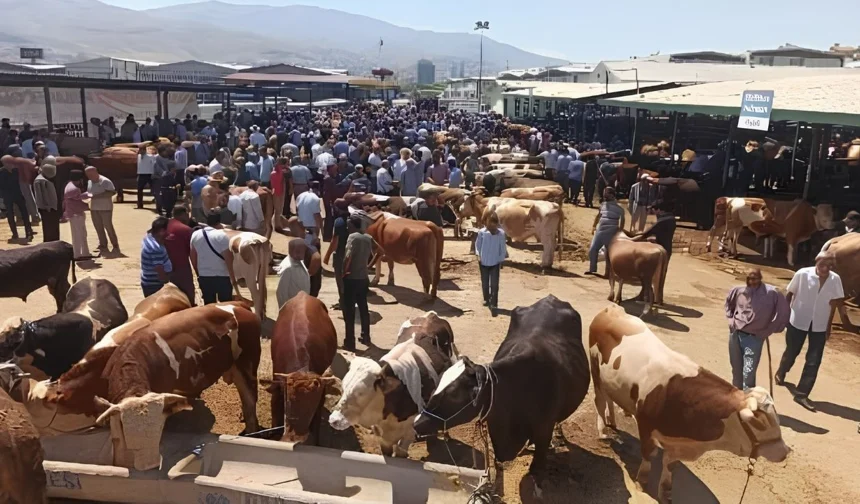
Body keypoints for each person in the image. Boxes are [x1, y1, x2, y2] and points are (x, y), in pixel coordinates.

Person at [776, 252, 852, 411]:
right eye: (823, 264)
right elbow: (789, 294)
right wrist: (783, 315)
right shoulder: (802, 274)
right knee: (792, 351)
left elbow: (835, 303)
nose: (826, 268)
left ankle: (802, 393)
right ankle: (782, 371)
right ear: (817, 262)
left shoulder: (835, 279)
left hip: (819, 324)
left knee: (814, 359)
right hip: (798, 320)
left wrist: (829, 325)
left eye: (830, 265)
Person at [724, 269, 791, 390]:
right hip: (736, 335)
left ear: (761, 278)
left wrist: (769, 330)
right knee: (736, 369)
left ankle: (748, 399)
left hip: (754, 338)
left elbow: (784, 314)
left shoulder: (772, 293)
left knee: (748, 373)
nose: (751, 281)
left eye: (755, 278)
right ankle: (737, 399)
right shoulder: (738, 290)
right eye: (749, 278)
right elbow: (729, 304)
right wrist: (730, 320)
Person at [341, 215, 378, 351]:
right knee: (363, 308)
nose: (347, 227)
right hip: (363, 278)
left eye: (348, 225)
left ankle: (350, 342)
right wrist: (368, 265)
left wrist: (344, 272)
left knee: (349, 311)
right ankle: (365, 336)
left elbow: (348, 256)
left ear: (352, 226)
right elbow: (380, 250)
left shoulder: (352, 237)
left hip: (351, 279)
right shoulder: (367, 238)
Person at [190, 210, 238, 305]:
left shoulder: (195, 235)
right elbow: (229, 259)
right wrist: (233, 278)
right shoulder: (222, 236)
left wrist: (199, 274)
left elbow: (193, 258)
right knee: (226, 305)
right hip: (222, 277)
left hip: (205, 276)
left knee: (209, 305)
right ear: (219, 222)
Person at [475, 211, 508, 317]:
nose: (492, 226)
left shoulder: (501, 234)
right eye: (490, 224)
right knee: (485, 282)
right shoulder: (482, 232)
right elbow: (478, 245)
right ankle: (486, 298)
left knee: (494, 284)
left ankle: (494, 303)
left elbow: (502, 248)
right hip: (483, 261)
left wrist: (501, 259)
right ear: (486, 222)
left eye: (494, 224)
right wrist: (478, 256)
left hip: (495, 262)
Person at [586, 187, 625, 276]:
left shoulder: (619, 209)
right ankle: (592, 269)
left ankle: (608, 273)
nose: (604, 195)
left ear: (612, 195)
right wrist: (593, 226)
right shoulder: (603, 205)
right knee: (593, 249)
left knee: (609, 253)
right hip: (600, 230)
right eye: (604, 193)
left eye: (607, 193)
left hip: (611, 231)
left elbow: (622, 221)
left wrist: (620, 231)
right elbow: (598, 216)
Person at [85, 165, 120, 253]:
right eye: (88, 175)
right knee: (98, 227)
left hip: (105, 208)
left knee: (108, 226)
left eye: (91, 174)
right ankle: (103, 244)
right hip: (94, 207)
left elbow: (111, 193)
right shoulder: (89, 182)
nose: (89, 176)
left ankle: (115, 244)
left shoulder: (105, 181)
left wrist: (95, 196)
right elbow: (89, 193)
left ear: (96, 172)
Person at [165, 206, 196, 305]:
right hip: (181, 267)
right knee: (187, 293)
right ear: (185, 214)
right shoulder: (186, 230)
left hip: (163, 265)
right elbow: (192, 253)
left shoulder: (164, 225)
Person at [0, 159, 34, 241]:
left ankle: (28, 232)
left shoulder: (17, 171)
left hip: (18, 194)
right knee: (10, 215)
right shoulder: (1, 172)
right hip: (8, 196)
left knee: (25, 213)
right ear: (4, 163)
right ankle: (15, 234)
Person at [324, 202, 350, 307]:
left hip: (341, 254)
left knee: (340, 279)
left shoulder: (338, 222)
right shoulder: (354, 219)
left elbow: (335, 241)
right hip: (353, 253)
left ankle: (343, 303)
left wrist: (327, 256)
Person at [140, 217, 173, 297]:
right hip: (154, 285)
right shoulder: (156, 248)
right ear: (162, 231)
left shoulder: (149, 237)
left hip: (148, 281)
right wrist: (167, 282)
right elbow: (159, 270)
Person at [64, 170, 92, 259]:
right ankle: (77, 254)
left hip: (76, 214)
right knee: (78, 235)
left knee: (82, 234)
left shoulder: (70, 186)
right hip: (76, 215)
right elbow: (79, 199)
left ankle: (84, 253)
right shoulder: (73, 189)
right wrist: (90, 195)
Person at [276, 238, 311, 309]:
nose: (304, 253)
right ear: (295, 251)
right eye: (302, 251)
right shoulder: (287, 268)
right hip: (292, 309)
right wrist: (285, 310)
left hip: (302, 305)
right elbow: (281, 293)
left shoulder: (300, 261)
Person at [33, 158, 59, 242]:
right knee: (48, 227)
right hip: (47, 208)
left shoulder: (46, 179)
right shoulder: (40, 181)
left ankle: (55, 240)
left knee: (54, 226)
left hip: (52, 207)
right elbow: (39, 197)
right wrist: (45, 206)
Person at [271, 157, 291, 228]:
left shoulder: (273, 172)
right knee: (279, 209)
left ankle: (277, 224)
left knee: (277, 210)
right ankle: (277, 225)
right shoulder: (284, 171)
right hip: (281, 191)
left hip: (276, 191)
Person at [136, 144, 158, 210]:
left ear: (144, 150)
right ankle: (140, 204)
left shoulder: (150, 156)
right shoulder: (139, 156)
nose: (140, 151)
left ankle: (158, 203)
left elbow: (154, 163)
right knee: (139, 190)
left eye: (141, 149)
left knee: (154, 189)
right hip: (141, 174)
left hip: (149, 174)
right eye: (139, 150)